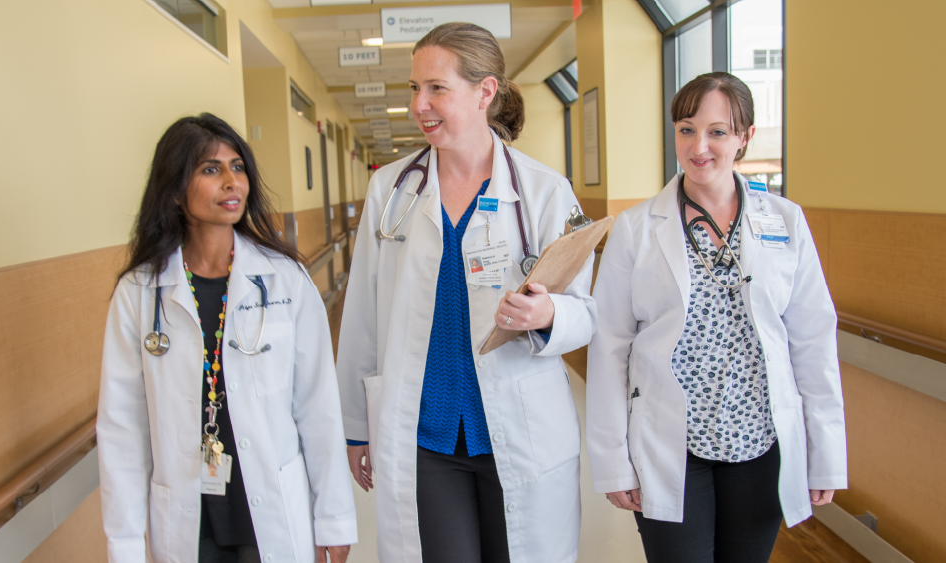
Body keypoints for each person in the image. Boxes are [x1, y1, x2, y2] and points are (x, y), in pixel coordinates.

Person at [336, 22, 596, 563]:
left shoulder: (544, 191)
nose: (420, 105)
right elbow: (362, 313)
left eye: (436, 88)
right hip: (427, 433)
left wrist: (548, 313)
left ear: (485, 92)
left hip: (519, 431)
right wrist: (355, 427)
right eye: (414, 88)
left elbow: (586, 313)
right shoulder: (392, 189)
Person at [586, 72, 847, 563]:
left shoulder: (784, 221)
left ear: (745, 137)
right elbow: (609, 347)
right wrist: (612, 462)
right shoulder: (637, 227)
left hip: (760, 443)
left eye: (717, 131)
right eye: (686, 129)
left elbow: (813, 340)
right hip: (669, 445)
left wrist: (825, 455)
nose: (699, 146)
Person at [97, 113, 357, 563]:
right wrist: (123, 543)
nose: (231, 182)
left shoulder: (283, 280)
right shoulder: (139, 293)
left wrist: (333, 517)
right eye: (210, 169)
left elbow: (317, 404)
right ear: (176, 190)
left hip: (269, 507)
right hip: (188, 515)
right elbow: (122, 427)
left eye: (237, 167)